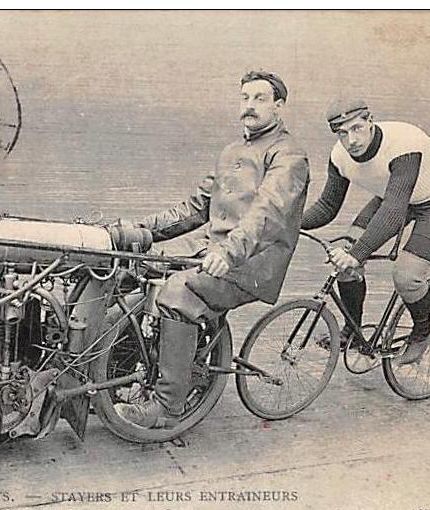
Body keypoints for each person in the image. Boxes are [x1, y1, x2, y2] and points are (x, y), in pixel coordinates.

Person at [109, 70, 310, 428]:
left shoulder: (289, 157)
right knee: (128, 268)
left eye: (260, 99)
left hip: (251, 262)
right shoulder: (232, 151)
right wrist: (139, 230)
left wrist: (228, 253)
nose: (250, 106)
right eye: (245, 97)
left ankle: (167, 406)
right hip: (209, 247)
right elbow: (195, 208)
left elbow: (267, 214)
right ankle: (119, 375)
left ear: (279, 106)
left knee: (176, 294)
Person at [300, 98, 430, 365]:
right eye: (342, 133)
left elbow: (393, 212)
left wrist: (357, 253)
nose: (351, 139)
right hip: (394, 195)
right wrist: (289, 223)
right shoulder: (340, 157)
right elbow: (327, 207)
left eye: (356, 128)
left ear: (369, 120)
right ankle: (353, 331)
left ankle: (423, 332)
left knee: (406, 276)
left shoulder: (403, 143)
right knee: (345, 263)